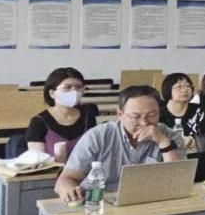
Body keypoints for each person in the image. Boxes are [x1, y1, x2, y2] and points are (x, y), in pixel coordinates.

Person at [54, 85, 187, 201]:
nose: (144, 123)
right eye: (135, 116)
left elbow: (178, 183)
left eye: (152, 115)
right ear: (120, 114)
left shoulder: (170, 136)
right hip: (99, 203)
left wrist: (164, 143)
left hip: (150, 204)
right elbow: (66, 179)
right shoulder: (98, 136)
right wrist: (69, 190)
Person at [26, 66, 99, 160]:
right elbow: (37, 161)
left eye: (78, 87)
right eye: (67, 87)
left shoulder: (88, 116)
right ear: (52, 93)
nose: (74, 91)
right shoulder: (38, 122)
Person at [159, 72, 205, 138]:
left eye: (188, 86)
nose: (185, 90)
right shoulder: (158, 115)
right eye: (179, 87)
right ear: (168, 89)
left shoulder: (200, 112)